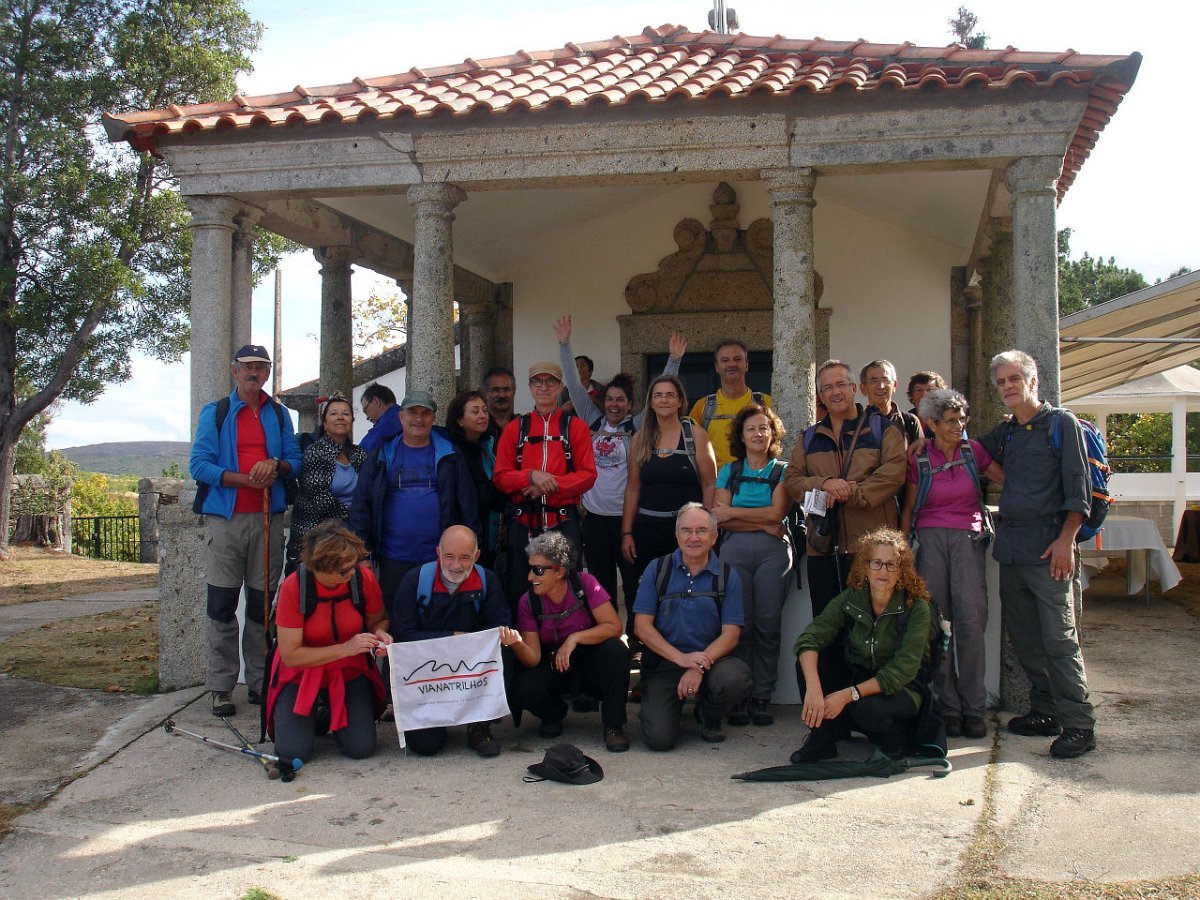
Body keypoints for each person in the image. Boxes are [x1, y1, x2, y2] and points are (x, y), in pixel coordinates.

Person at [975, 349, 1097, 759]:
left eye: (1014, 379)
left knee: (1060, 641)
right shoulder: (1007, 431)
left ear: (1032, 381)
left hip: (1050, 549)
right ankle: (1046, 711)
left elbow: (1078, 491)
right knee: (1026, 640)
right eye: (1001, 382)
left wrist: (1067, 540)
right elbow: (972, 449)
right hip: (1012, 549)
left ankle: (1080, 724)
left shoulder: (1061, 424)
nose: (1007, 386)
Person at [190, 343, 301, 717]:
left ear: (268, 373)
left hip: (269, 518)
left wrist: (275, 466)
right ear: (234, 370)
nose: (255, 373)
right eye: (248, 366)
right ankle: (221, 687)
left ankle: (258, 681)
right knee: (221, 605)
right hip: (227, 520)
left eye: (261, 367)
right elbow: (199, 466)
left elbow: (294, 460)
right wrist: (244, 480)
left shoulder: (280, 414)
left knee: (260, 606)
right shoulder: (217, 413)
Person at [555, 315, 685, 629]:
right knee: (600, 586)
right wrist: (564, 344)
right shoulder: (591, 419)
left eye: (621, 400)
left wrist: (674, 361)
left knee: (634, 582)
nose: (614, 404)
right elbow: (574, 384)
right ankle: (609, 635)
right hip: (596, 520)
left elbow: (660, 394)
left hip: (628, 520)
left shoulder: (637, 426)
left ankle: (637, 639)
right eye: (610, 399)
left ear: (630, 405)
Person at [900, 389, 1003, 740]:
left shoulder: (974, 452)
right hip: (929, 542)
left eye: (962, 418)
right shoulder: (919, 458)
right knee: (937, 625)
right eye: (951, 421)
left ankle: (974, 707)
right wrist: (900, 548)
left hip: (969, 542)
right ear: (931, 424)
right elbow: (909, 506)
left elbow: (1009, 480)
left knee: (972, 622)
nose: (959, 426)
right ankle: (948, 706)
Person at [790, 528, 932, 762]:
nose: (882, 571)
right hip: (858, 675)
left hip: (900, 688)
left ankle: (894, 736)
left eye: (891, 565)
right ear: (865, 567)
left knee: (870, 710)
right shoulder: (851, 598)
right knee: (811, 663)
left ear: (902, 571)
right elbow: (809, 638)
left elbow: (902, 671)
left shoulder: (916, 608)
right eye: (876, 563)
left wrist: (847, 696)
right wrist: (814, 689)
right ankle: (822, 739)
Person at [784, 360, 906, 620]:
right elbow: (793, 480)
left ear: (853, 389)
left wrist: (851, 492)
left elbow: (894, 473)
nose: (835, 391)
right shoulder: (808, 437)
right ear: (820, 396)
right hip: (824, 547)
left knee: (873, 629)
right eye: (827, 387)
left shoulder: (882, 429)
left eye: (841, 384)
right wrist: (825, 484)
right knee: (827, 628)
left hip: (872, 547)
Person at [267, 522, 390, 763]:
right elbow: (290, 655)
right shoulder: (294, 587)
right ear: (321, 569)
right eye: (343, 572)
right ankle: (316, 713)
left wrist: (380, 635)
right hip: (301, 676)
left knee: (360, 748)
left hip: (349, 672)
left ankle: (324, 712)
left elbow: (379, 620)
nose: (351, 574)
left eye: (353, 566)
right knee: (293, 752)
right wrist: (344, 649)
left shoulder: (362, 579)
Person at [634, 503, 751, 749]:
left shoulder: (728, 575)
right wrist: (681, 659)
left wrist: (697, 665)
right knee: (658, 740)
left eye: (701, 531)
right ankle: (665, 709)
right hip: (666, 662)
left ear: (714, 536)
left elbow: (731, 635)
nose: (694, 537)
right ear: (677, 536)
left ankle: (708, 715)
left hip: (713, 661)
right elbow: (641, 627)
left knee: (735, 678)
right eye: (686, 531)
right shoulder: (657, 569)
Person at [348, 390, 480, 606]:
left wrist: (471, 550)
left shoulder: (451, 456)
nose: (419, 419)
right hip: (393, 558)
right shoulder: (381, 456)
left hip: (441, 559)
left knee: (438, 621)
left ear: (433, 418)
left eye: (425, 413)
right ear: (401, 416)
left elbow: (468, 506)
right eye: (412, 413)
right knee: (395, 621)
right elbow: (362, 507)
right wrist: (362, 555)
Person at [390, 525, 512, 757]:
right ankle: (432, 722)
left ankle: (479, 726)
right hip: (428, 670)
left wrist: (471, 645)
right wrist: (451, 639)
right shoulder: (415, 581)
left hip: (471, 668)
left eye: (465, 558)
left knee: (506, 650)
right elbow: (402, 636)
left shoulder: (487, 581)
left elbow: (500, 628)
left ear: (476, 556)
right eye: (449, 557)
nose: (456, 565)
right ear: (438, 553)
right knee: (426, 747)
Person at [507, 531, 631, 751]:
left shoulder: (585, 583)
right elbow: (533, 658)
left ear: (560, 571)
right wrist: (517, 644)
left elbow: (614, 626)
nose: (530, 577)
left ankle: (614, 725)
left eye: (538, 571)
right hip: (553, 665)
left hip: (587, 660)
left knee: (616, 651)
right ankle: (552, 714)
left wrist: (575, 638)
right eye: (530, 569)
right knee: (523, 685)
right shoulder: (528, 602)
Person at [713, 404, 793, 727]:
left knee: (768, 624)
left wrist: (736, 515)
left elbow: (778, 514)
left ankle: (762, 695)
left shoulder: (784, 471)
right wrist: (761, 523)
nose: (758, 434)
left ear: (772, 433)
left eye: (764, 428)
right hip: (734, 551)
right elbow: (719, 518)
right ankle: (741, 695)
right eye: (751, 429)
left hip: (774, 554)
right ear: (741, 436)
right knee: (739, 625)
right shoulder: (728, 471)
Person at [492, 361, 597, 605]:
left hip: (563, 520)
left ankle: (568, 639)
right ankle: (524, 641)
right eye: (537, 382)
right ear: (529, 387)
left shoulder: (576, 427)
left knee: (567, 586)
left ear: (560, 386)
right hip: (524, 521)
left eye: (550, 381)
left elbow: (588, 475)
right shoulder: (516, 429)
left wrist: (551, 484)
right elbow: (500, 476)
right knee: (522, 586)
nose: (544, 387)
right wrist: (530, 476)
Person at [622, 375, 717, 596]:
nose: (664, 400)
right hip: (647, 530)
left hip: (686, 532)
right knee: (647, 594)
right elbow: (632, 487)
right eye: (658, 395)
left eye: (669, 395)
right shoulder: (639, 439)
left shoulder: (696, 436)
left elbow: (710, 484)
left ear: (680, 401)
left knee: (686, 594)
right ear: (651, 402)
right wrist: (626, 532)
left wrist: (709, 527)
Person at [285, 394, 366, 573]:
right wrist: (356, 516)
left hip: (349, 536)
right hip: (314, 538)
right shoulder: (314, 453)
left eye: (345, 414)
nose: (340, 417)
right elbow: (321, 501)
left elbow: (367, 492)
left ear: (352, 420)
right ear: (324, 421)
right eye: (334, 413)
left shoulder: (359, 454)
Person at [688, 339, 772, 468]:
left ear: (747, 364)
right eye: (725, 360)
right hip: (716, 484)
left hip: (757, 483)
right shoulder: (703, 407)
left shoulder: (766, 403)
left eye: (737, 359)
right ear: (717, 367)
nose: (731, 364)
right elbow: (691, 449)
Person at [446, 390, 505, 569]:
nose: (482, 416)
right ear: (460, 419)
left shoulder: (486, 446)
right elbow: (480, 494)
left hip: (492, 529)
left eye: (484, 410)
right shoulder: (455, 453)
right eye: (475, 411)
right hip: (469, 533)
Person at [861, 359, 922, 447]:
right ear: (863, 388)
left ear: (895, 385)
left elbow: (918, 457)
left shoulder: (909, 422)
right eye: (874, 381)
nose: (881, 386)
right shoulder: (856, 424)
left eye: (885, 380)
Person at [359, 383, 402, 453]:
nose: (367, 417)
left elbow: (359, 456)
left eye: (366, 410)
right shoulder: (406, 416)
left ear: (376, 401)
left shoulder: (386, 426)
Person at [907, 371, 946, 440]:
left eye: (930, 390)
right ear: (911, 395)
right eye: (919, 390)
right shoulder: (904, 420)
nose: (924, 395)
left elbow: (958, 445)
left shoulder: (949, 420)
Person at [483, 367, 517, 440]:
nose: (502, 395)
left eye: (506, 389)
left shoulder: (523, 427)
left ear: (514, 391)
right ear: (486, 393)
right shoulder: (479, 428)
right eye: (496, 390)